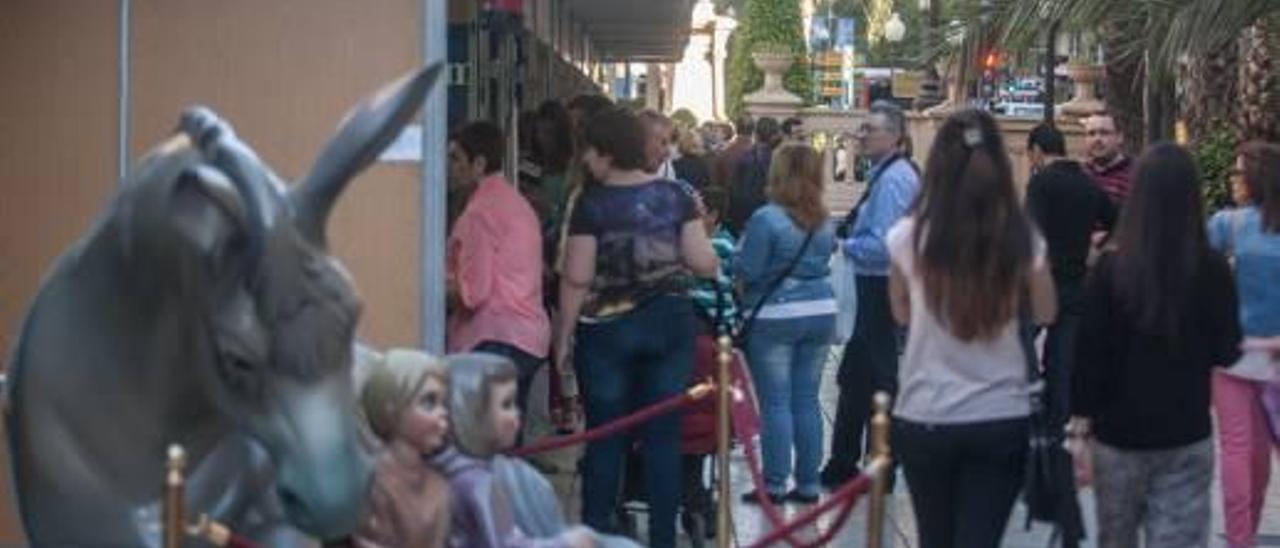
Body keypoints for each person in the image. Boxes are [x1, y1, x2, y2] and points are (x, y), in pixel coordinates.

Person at [887, 109, 1057, 548]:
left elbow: (901, 312)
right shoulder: (1022, 238)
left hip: (926, 412)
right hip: (1000, 412)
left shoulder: (909, 236)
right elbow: (1046, 310)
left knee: (934, 538)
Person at [554, 107, 718, 548]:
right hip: (669, 326)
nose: (585, 159)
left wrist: (562, 337)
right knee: (664, 437)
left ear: (606, 152)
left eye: (588, 150)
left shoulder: (591, 204)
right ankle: (662, 538)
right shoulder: (677, 195)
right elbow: (706, 264)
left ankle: (596, 534)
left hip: (606, 332)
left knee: (606, 437)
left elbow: (577, 277)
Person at [1071, 143, 1242, 548]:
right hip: (1185, 430)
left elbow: (1089, 357)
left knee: (1116, 536)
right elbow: (1227, 350)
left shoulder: (1110, 270)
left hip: (1118, 435)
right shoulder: (1212, 268)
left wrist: (1080, 426)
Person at [822, 100, 921, 488]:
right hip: (873, 283)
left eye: (869, 130)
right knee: (856, 376)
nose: (861, 136)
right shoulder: (887, 175)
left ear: (895, 137)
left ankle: (880, 461)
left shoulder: (896, 179)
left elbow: (887, 245)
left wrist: (846, 246)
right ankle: (845, 461)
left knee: (878, 375)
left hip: (880, 284)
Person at [734, 144, 837, 505]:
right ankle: (809, 483)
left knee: (776, 402)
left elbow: (748, 270)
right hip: (822, 310)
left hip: (776, 315)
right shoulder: (824, 220)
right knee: (807, 399)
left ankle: (775, 483)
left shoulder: (766, 218)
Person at [433, 353, 595, 548]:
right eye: (506, 405)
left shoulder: (444, 466)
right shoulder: (477, 482)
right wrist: (567, 542)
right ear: (471, 411)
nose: (516, 415)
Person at [447, 121, 551, 418]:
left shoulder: (479, 214)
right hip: (526, 338)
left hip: (493, 337)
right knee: (505, 446)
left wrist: (429, 285)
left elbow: (473, 293)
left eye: (456, 158)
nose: (449, 167)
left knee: (481, 449)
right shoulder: (512, 201)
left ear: (478, 163)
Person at [1206, 141, 1280, 548]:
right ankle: (1245, 531)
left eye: (1239, 172)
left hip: (1234, 354)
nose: (1234, 180)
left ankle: (1241, 538)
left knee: (1237, 450)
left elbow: (1196, 277)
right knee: (1258, 456)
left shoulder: (1225, 226)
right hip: (1273, 354)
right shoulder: (1229, 224)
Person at [1024, 123, 1117, 425]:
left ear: (1036, 151)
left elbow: (1032, 234)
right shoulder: (1089, 185)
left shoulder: (1040, 184)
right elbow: (1119, 217)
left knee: (1020, 344)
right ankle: (1057, 424)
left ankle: (1031, 411)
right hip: (1076, 284)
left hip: (1042, 284)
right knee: (1062, 361)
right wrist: (1099, 245)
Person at [346, 349, 452, 548]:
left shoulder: (439, 486)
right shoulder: (369, 483)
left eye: (443, 403)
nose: (442, 413)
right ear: (391, 407)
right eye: (429, 402)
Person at [726, 117, 782, 235]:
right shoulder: (777, 158)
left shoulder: (747, 156)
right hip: (766, 216)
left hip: (747, 218)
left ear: (756, 134)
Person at [1082, 111, 1135, 207]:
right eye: (1091, 133)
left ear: (1119, 137)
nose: (1097, 139)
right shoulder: (1081, 174)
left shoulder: (1135, 175)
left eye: (1104, 133)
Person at [712, 116, 754, 189]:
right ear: (753, 131)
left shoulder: (724, 154)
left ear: (736, 130)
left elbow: (717, 185)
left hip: (730, 197)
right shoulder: (760, 154)